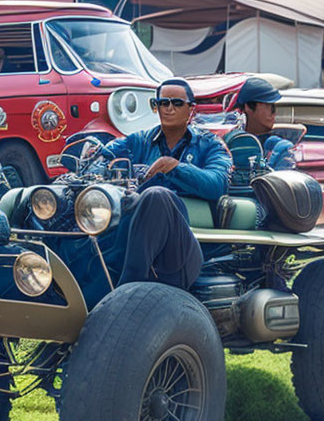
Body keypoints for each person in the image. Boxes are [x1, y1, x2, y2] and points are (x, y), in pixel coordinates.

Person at [95, 77, 233, 290]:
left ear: (191, 110)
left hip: (182, 250)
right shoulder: (139, 140)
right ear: (155, 107)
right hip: (130, 235)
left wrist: (174, 168)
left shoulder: (211, 145)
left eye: (177, 103)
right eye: (163, 103)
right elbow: (102, 155)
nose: (169, 109)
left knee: (157, 196)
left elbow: (217, 184)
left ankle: (126, 288)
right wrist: (89, 150)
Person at [234, 77, 296, 170]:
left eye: (274, 107)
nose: (273, 113)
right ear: (248, 107)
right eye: (268, 106)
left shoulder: (281, 148)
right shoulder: (232, 144)